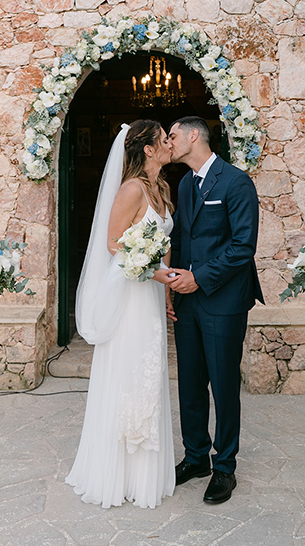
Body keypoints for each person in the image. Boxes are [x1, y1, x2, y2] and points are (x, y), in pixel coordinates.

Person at [66, 120, 176, 508]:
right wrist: (151, 268)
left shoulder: (160, 189)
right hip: (130, 294)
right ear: (147, 149)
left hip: (150, 296)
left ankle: (144, 473)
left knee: (149, 374)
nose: (170, 145)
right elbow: (113, 244)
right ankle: (117, 472)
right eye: (165, 140)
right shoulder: (131, 189)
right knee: (129, 372)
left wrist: (165, 293)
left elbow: (160, 244)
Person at [159, 115, 263, 505]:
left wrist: (199, 278)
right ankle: (197, 457)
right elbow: (183, 240)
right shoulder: (185, 184)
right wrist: (172, 288)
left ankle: (225, 468)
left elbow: (242, 246)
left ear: (192, 136)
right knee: (189, 382)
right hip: (187, 299)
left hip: (223, 300)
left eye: (172, 135)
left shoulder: (236, 182)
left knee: (222, 384)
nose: (169, 143)